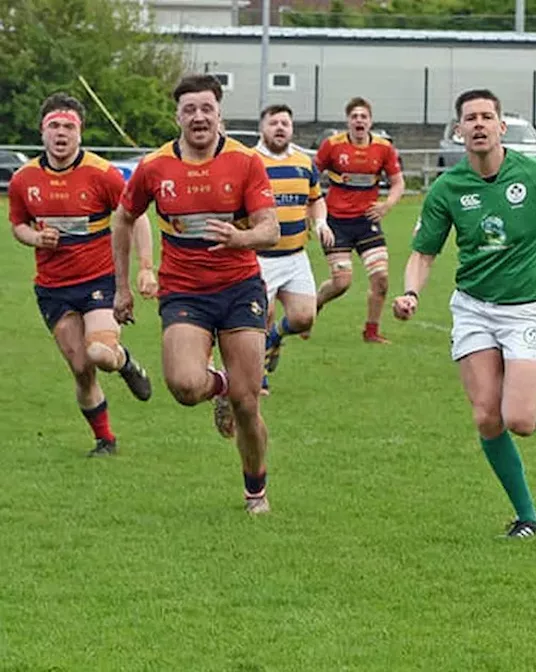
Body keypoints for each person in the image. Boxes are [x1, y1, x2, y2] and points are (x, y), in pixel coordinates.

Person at [393, 88, 536, 539]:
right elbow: (424, 253)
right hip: (473, 309)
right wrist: (410, 292)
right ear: (458, 130)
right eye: (469, 118)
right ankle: (527, 517)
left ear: (500, 126)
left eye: (486, 117)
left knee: (521, 421)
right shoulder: (447, 188)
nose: (478, 124)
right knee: (486, 417)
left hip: (528, 310)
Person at [111, 74, 281, 514]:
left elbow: (269, 228)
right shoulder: (155, 167)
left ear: (219, 113)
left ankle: (255, 491)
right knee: (186, 387)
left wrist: (240, 239)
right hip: (185, 291)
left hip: (240, 288)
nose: (199, 117)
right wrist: (123, 285)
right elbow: (123, 218)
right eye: (190, 110)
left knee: (247, 405)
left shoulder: (245, 162)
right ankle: (220, 384)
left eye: (207, 108)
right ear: (178, 116)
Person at [8, 92, 155, 457]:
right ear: (42, 132)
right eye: (54, 126)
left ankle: (125, 362)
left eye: (68, 127)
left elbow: (137, 217)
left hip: (99, 281)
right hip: (53, 288)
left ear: (80, 132)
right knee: (80, 367)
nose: (61, 133)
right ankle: (105, 440)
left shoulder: (102, 174)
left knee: (101, 353)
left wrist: (146, 268)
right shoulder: (24, 179)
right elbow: (18, 225)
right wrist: (36, 237)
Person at [313, 97, 404, 344]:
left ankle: (371, 332)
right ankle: (315, 303)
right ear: (348, 121)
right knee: (342, 282)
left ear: (370, 121)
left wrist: (386, 205)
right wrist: (314, 209)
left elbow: (398, 182)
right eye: (355, 116)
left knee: (382, 279)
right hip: (336, 223)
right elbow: (311, 176)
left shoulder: (383, 148)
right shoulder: (332, 145)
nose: (359, 120)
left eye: (364, 116)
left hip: (366, 222)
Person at [255, 104, 329, 394]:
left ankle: (274, 339)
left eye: (285, 122)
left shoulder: (304, 162)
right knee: (263, 313)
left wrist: (321, 223)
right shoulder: (250, 161)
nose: (280, 128)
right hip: (260, 256)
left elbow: (316, 198)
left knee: (304, 318)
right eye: (274, 123)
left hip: (296, 256)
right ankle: (258, 374)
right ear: (262, 128)